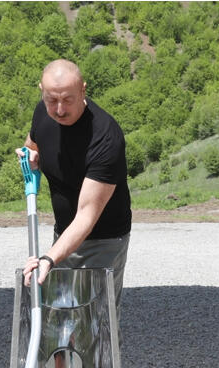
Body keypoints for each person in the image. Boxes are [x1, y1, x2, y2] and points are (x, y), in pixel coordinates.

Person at [16, 59, 132, 308]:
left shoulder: (105, 137)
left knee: (93, 319)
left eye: (68, 100)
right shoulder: (42, 112)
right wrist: (30, 156)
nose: (59, 110)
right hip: (63, 233)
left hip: (102, 241)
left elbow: (86, 215)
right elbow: (32, 144)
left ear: (83, 90)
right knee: (59, 313)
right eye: (52, 100)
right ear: (42, 91)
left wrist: (49, 258)